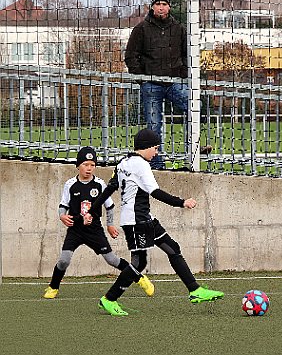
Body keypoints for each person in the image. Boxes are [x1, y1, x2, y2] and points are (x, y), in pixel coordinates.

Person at [84, 129, 224, 316]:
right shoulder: (141, 165)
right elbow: (155, 192)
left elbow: (110, 188)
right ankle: (109, 299)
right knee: (139, 262)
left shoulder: (123, 163)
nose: (156, 153)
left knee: (172, 247)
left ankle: (195, 290)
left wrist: (93, 211)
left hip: (144, 218)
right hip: (136, 221)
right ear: (146, 147)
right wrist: (182, 202)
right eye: (155, 148)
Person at [43, 146, 154, 299]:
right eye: (85, 165)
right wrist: (62, 216)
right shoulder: (70, 184)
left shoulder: (100, 184)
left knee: (112, 260)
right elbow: (63, 205)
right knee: (63, 260)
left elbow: (109, 206)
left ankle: (139, 278)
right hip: (75, 230)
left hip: (94, 230)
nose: (89, 168)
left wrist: (110, 225)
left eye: (92, 165)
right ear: (78, 166)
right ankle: (53, 287)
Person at [125, 0, 211, 170]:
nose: (161, 7)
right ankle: (156, 163)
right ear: (152, 7)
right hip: (151, 84)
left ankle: (193, 149)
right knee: (154, 124)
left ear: (169, 7)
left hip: (174, 82)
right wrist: (142, 77)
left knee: (195, 106)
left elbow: (188, 54)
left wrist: (183, 73)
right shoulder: (141, 29)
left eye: (164, 4)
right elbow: (131, 56)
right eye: (158, 4)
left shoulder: (178, 29)